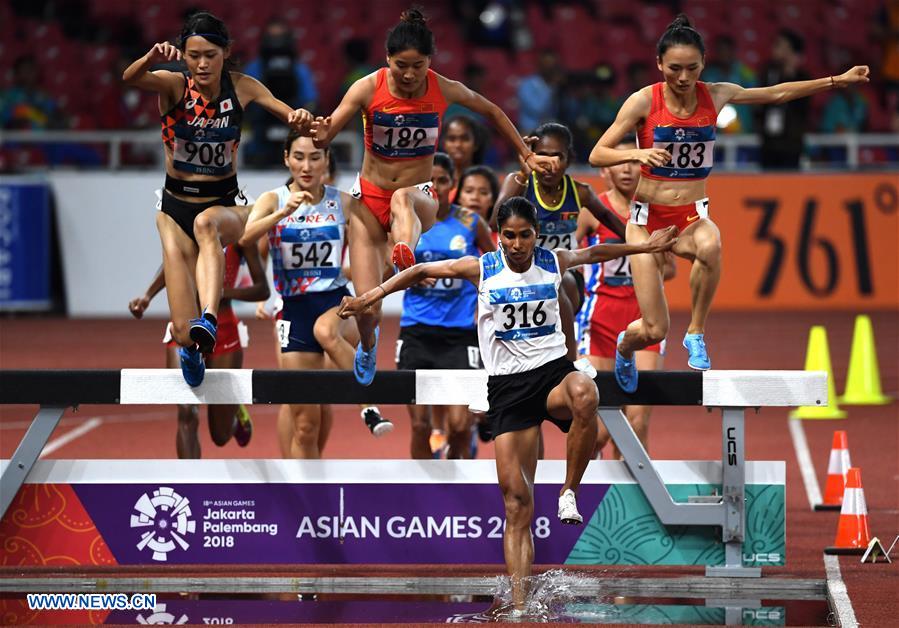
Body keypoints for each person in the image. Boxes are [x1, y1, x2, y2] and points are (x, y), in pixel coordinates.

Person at [337, 196, 676, 609]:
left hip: (552, 374)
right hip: (507, 389)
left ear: (536, 234)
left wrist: (645, 247)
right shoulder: (483, 268)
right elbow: (423, 269)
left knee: (586, 392)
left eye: (525, 235)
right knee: (516, 503)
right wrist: (369, 297)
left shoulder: (552, 261)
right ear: (499, 235)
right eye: (510, 236)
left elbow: (597, 251)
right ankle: (519, 606)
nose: (517, 244)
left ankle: (569, 492)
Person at [589, 13, 869, 391]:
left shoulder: (716, 94)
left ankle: (697, 332)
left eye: (692, 68)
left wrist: (836, 80)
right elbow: (597, 154)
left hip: (689, 217)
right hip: (646, 223)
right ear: (659, 65)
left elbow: (778, 93)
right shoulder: (643, 101)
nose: (684, 78)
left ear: (704, 64)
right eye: (674, 69)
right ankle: (625, 346)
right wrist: (636, 156)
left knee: (711, 242)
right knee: (654, 327)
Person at [310, 7, 558, 386]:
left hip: (418, 193)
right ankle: (369, 343)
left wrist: (524, 154)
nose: (409, 75)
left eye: (418, 66)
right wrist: (318, 131)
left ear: (430, 61)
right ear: (387, 59)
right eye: (401, 66)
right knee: (369, 306)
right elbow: (327, 134)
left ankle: (403, 253)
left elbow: (490, 109)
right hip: (367, 198)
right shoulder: (366, 88)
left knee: (402, 200)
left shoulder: (442, 88)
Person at [122, 11, 313, 388]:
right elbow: (130, 78)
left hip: (225, 202)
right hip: (175, 208)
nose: (202, 63)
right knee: (180, 330)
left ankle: (209, 316)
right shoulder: (173, 86)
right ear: (184, 55)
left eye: (210, 54)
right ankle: (191, 345)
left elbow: (289, 115)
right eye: (193, 55)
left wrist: (303, 117)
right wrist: (150, 58)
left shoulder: (242, 87)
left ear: (226, 52)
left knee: (207, 223)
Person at [240, 131, 393, 458]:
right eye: (298, 157)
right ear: (286, 159)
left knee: (325, 332)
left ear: (327, 161)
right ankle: (303, 503)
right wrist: (281, 214)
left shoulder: (344, 202)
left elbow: (379, 238)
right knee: (305, 423)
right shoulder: (273, 199)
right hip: (294, 312)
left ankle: (369, 403)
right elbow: (246, 237)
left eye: (314, 157)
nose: (306, 165)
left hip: (336, 303)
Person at [577, 138, 676, 459]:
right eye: (619, 162)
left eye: (633, 162)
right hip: (599, 321)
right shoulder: (591, 213)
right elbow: (567, 256)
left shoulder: (654, 212)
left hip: (643, 320)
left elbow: (670, 269)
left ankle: (632, 504)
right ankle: (588, 495)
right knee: (597, 429)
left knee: (636, 421)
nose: (626, 168)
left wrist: (645, 262)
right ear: (604, 170)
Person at [494, 122, 627, 360]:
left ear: (568, 160)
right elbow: (495, 218)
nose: (550, 164)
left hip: (567, 279)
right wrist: (524, 173)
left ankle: (569, 361)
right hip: (519, 274)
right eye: (542, 156)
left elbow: (607, 216)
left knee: (559, 279)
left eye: (558, 156)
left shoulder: (580, 192)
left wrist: (638, 240)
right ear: (532, 156)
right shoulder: (520, 183)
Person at [127, 242, 268, 457]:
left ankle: (234, 412)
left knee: (220, 436)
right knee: (186, 413)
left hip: (224, 330)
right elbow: (171, 262)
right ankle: (190, 483)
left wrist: (223, 292)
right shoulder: (187, 226)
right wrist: (147, 296)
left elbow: (262, 289)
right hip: (185, 327)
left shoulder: (239, 236)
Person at [397, 152, 495, 459]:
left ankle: (454, 493)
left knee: (460, 425)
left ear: (453, 182)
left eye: (443, 180)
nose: (436, 187)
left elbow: (495, 266)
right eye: (430, 181)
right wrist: (407, 276)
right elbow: (388, 268)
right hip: (416, 333)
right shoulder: (408, 221)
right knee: (420, 427)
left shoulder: (470, 221)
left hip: (460, 335)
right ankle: (423, 495)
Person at [243, 17, 319, 166]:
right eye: (272, 37)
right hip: (259, 140)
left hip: (293, 139)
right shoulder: (253, 68)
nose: (276, 43)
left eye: (280, 37)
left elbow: (310, 102)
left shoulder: (300, 69)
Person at [757, 29, 811, 169]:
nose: (774, 49)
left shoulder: (803, 78)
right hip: (768, 142)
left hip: (791, 144)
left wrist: (790, 75)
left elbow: (803, 109)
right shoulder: (768, 72)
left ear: (791, 51)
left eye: (779, 45)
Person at [438, 114, 487, 200]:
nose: (458, 145)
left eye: (465, 138)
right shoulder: (433, 181)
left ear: (476, 143)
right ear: (443, 144)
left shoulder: (486, 182)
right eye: (452, 139)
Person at [517, 50, 561, 133]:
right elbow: (538, 109)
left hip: (550, 131)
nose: (549, 68)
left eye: (552, 65)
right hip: (529, 131)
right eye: (546, 64)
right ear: (539, 65)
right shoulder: (527, 84)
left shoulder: (557, 86)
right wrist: (551, 88)